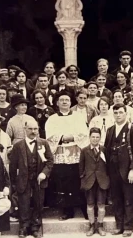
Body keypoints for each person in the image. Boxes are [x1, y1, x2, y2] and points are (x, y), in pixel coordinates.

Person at [45, 90, 89, 220]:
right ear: (57, 103)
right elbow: (49, 136)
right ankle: (67, 210)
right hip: (60, 154)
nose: (65, 102)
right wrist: (62, 138)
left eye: (67, 100)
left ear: (71, 102)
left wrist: (72, 137)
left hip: (75, 152)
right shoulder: (52, 119)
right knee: (63, 182)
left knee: (77, 180)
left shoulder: (78, 117)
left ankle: (84, 208)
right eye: (62, 100)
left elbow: (84, 134)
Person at [104, 103, 133, 237]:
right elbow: (107, 150)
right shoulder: (110, 130)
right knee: (117, 199)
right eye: (115, 113)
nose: (118, 115)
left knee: (128, 199)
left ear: (126, 114)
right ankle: (119, 225)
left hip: (127, 171)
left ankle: (128, 227)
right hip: (113, 170)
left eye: (121, 112)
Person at [9, 119, 54, 238]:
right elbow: (13, 166)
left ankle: (35, 227)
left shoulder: (43, 143)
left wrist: (44, 173)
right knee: (24, 203)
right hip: (24, 179)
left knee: (38, 203)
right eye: (30, 129)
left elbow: (50, 161)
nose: (33, 131)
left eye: (35, 129)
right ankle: (24, 227)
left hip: (39, 179)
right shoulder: (18, 146)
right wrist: (14, 183)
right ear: (25, 130)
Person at [79, 127, 110, 236]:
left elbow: (108, 166)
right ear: (89, 137)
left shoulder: (105, 150)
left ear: (100, 138)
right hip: (89, 181)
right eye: (93, 137)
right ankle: (92, 225)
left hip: (102, 181)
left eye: (97, 137)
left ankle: (100, 226)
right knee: (90, 204)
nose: (95, 139)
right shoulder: (84, 150)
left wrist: (107, 178)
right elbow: (81, 168)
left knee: (101, 204)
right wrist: (83, 180)